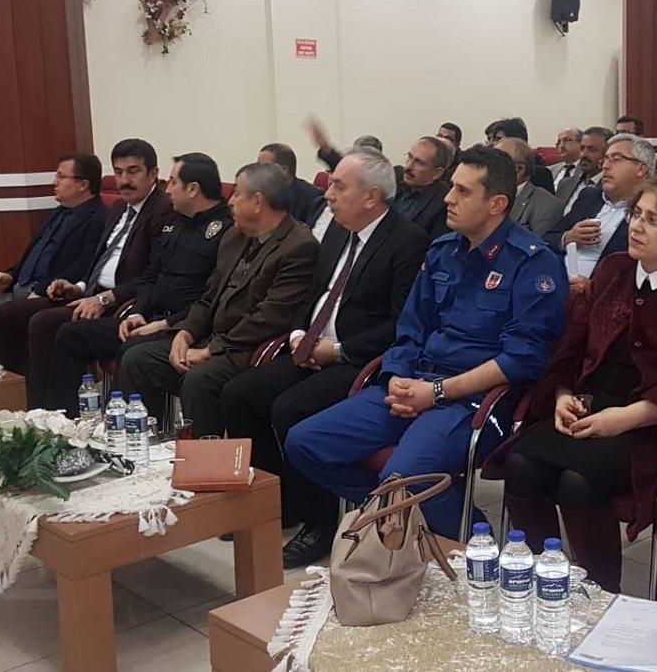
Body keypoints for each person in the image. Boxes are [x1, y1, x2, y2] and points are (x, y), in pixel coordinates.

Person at [286, 146, 569, 539]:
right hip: (415, 383)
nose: (448, 198)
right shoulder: (443, 251)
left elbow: (522, 359)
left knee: (403, 476)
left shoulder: (532, 262)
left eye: (463, 191)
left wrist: (436, 393)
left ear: (497, 204)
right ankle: (397, 513)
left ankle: (475, 541)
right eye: (451, 187)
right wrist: (397, 377)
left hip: (476, 401)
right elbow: (410, 329)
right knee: (304, 442)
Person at [489, 175, 657, 591]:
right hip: (593, 405)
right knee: (521, 465)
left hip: (655, 423)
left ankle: (600, 593)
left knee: (577, 482)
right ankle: (544, 581)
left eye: (654, 220)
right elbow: (570, 346)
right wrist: (562, 395)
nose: (637, 227)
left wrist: (628, 417)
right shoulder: (614, 269)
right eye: (636, 214)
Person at [220, 150, 429, 567]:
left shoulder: (406, 241)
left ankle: (319, 522)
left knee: (290, 408)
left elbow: (401, 321)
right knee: (239, 393)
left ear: (370, 197)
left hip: (358, 359)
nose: (327, 194)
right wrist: (300, 332)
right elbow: (312, 293)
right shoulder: (337, 230)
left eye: (338, 186)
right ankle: (277, 501)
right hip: (311, 346)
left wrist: (338, 350)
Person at [122, 162, 319, 426]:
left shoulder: (299, 246)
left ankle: (205, 450)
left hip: (246, 347)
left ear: (257, 202)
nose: (230, 201)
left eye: (237, 193)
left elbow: (271, 316)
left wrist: (210, 351)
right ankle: (148, 442)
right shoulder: (234, 236)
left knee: (199, 379)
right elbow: (209, 296)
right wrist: (186, 332)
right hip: (211, 337)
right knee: (137, 359)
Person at [38, 153, 224, 413]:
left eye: (172, 182)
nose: (167, 189)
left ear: (193, 189)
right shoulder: (175, 221)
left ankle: (135, 428)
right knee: (72, 334)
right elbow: (150, 276)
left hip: (183, 325)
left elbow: (211, 298)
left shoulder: (224, 231)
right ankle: (65, 420)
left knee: (133, 350)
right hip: (149, 316)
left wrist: (167, 323)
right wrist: (138, 312)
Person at [0, 139, 175, 390]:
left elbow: (153, 275)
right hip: (91, 294)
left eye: (133, 172)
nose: (124, 181)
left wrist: (105, 299)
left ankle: (55, 408)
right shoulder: (119, 207)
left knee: (45, 324)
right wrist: (76, 287)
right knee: (8, 314)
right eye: (118, 172)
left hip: (122, 302)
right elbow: (101, 261)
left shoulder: (163, 211)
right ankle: (8, 396)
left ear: (153, 174)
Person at [0, 155, 107, 360]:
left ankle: (9, 372)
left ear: (83, 184)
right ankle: (5, 371)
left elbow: (84, 266)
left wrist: (41, 290)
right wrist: (9, 276)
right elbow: (36, 254)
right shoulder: (59, 212)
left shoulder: (99, 218)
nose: (54, 182)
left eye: (61, 176)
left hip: (49, 295)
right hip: (19, 289)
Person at [548, 133, 653, 283]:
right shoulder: (590, 196)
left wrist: (593, 288)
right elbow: (548, 238)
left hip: (602, 291)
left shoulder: (651, 212)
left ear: (641, 169)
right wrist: (569, 237)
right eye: (605, 159)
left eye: (616, 159)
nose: (605, 166)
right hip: (556, 280)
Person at [496, 137, 560, 236]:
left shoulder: (546, 205)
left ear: (519, 170)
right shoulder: (483, 196)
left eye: (497, 162)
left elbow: (538, 243)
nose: (488, 168)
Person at [393, 136, 451, 238]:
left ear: (437, 173)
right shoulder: (395, 179)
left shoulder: (443, 204)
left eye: (419, 163)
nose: (408, 167)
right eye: (409, 157)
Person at [259, 142, 325, 225]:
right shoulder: (259, 194)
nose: (258, 172)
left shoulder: (313, 198)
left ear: (284, 170)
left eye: (264, 167)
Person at [484, 117, 553, 192]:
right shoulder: (483, 169)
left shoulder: (540, 175)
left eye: (498, 139)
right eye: (489, 139)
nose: (490, 145)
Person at [556, 126, 609, 212]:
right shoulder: (565, 184)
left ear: (607, 154)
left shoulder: (610, 189)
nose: (584, 155)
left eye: (592, 149)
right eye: (582, 149)